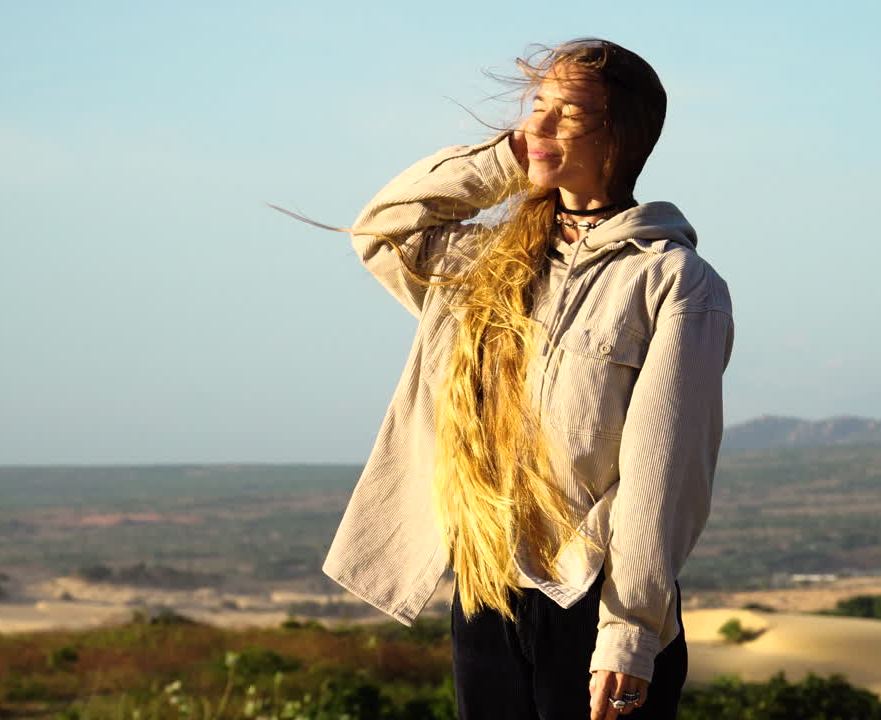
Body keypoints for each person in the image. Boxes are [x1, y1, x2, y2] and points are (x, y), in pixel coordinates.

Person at [278, 38, 733, 720]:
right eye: (536, 108)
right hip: (486, 593)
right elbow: (381, 229)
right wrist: (505, 162)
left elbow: (660, 479)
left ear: (622, 133)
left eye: (567, 113)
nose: (537, 126)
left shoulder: (673, 282)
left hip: (594, 602)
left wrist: (629, 635)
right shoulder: (483, 261)